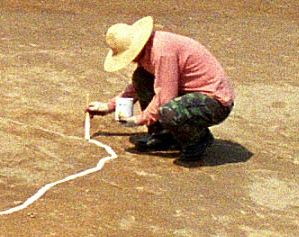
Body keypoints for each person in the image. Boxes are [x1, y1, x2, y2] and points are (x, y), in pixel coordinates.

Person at [87, 16, 237, 163]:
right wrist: (109, 107)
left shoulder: (162, 53)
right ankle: (164, 136)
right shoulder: (148, 50)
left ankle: (199, 141)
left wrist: (139, 119)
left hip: (215, 103)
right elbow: (138, 86)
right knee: (141, 77)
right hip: (190, 93)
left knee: (168, 111)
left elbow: (165, 97)